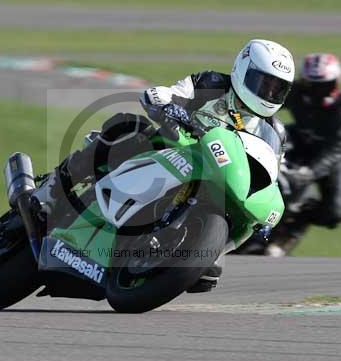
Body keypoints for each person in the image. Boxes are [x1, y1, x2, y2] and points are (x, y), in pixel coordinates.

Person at [35, 39, 296, 291]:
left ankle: (183, 252)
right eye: (263, 83)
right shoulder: (211, 83)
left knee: (208, 274)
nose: (268, 93)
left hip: (218, 181)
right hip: (174, 147)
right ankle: (55, 188)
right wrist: (164, 103)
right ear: (242, 69)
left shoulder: (275, 131)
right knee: (126, 127)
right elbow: (170, 94)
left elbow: (269, 174)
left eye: (277, 89)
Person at [241, 52, 341, 257]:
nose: (319, 91)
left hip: (334, 158)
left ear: (337, 82)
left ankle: (294, 225)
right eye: (314, 85)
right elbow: (265, 102)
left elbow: (336, 151)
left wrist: (308, 173)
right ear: (305, 81)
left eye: (326, 85)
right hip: (300, 139)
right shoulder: (296, 91)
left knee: (336, 212)